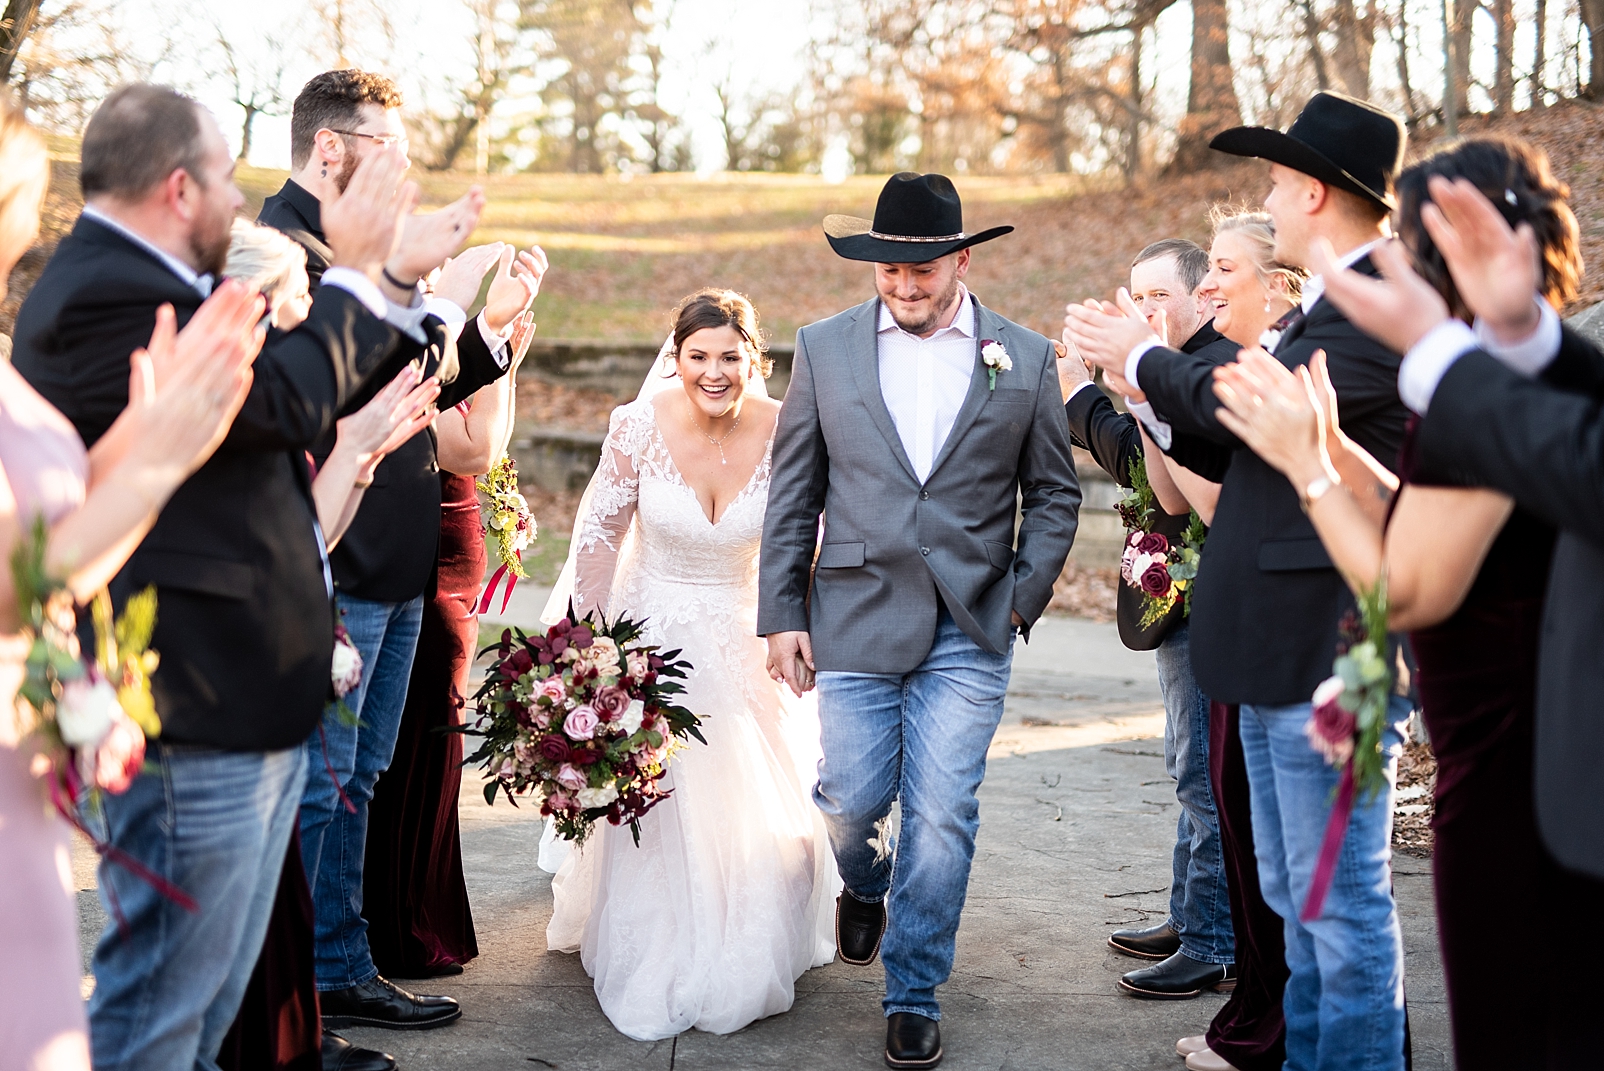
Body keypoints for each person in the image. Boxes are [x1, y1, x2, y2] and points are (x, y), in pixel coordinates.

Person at [9, 83, 421, 1071]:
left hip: (236, 691)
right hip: (191, 695)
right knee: (159, 1016)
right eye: (226, 178)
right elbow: (278, 409)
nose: (241, 200)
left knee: (202, 1014)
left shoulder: (157, 280)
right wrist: (369, 272)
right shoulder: (112, 289)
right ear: (180, 187)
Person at [1065, 91, 1413, 1070]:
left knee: (1336, 908)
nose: (1267, 196)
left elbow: (1243, 409)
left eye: (1274, 180)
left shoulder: (1369, 308)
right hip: (1271, 653)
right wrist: (1141, 381)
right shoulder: (1334, 307)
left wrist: (1137, 359)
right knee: (1296, 898)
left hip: (1319, 653)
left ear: (1312, 191)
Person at [1259, 138, 1604, 1069]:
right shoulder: (1505, 377)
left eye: (1409, 246)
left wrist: (1306, 471)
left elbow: (1404, 584)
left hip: (1519, 778)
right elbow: (1421, 513)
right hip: (1496, 758)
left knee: (1519, 1030)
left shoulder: (1484, 392)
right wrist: (1333, 451)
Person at [760, 173, 1082, 1071]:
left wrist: (1020, 597)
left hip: (972, 622)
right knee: (850, 800)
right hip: (854, 609)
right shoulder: (824, 348)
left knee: (942, 813)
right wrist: (782, 610)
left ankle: (913, 990)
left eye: (922, 271)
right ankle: (864, 882)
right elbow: (794, 490)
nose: (904, 287)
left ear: (962, 262)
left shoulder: (1025, 356)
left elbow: (1055, 495)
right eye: (889, 271)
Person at [256, 69, 547, 1034]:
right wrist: (431, 302)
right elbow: (332, 395)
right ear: (330, 148)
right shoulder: (284, 252)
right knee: (321, 781)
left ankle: (341, 967)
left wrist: (486, 331)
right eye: (391, 145)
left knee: (361, 773)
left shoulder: (359, 248)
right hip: (335, 560)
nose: (407, 166)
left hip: (398, 559)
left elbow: (419, 382)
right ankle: (297, 995)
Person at [0, 90, 262, 1071]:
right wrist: (155, 462)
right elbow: (16, 582)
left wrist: (148, 445)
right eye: (26, 192)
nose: (36, 218)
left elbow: (48, 543)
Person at [542, 289, 839, 1041]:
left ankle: (750, 933)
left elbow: (810, 538)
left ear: (754, 359)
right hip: (649, 636)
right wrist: (592, 649)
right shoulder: (637, 426)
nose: (714, 371)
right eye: (698, 356)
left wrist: (797, 626)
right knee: (658, 789)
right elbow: (600, 538)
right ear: (674, 360)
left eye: (730, 357)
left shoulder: (787, 427)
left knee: (760, 794)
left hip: (749, 636)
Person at [217, 220, 441, 1071]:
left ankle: (316, 988)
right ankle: (288, 1006)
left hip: (328, 585)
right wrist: (352, 447)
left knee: (345, 782)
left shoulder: (273, 391)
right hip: (259, 641)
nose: (308, 320)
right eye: (297, 303)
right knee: (313, 797)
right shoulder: (248, 402)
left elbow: (306, 531)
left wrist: (362, 455)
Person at [1062, 237, 1240, 1004]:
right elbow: (1149, 468)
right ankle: (1192, 916)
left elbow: (1157, 480)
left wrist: (1096, 397)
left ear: (1204, 297)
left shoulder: (1209, 368)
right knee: (1187, 762)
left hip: (1214, 595)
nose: (1142, 310)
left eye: (1157, 296)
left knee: (1202, 772)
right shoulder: (1171, 368)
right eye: (1134, 296)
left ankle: (1212, 941)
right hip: (1184, 599)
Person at [363, 311, 536, 982]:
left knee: (437, 737)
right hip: (425, 561)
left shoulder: (448, 348)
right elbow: (474, 450)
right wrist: (496, 359)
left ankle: (417, 910)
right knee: (423, 736)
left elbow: (493, 439)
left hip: (454, 562)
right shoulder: (404, 355)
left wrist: (504, 362)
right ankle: (399, 923)